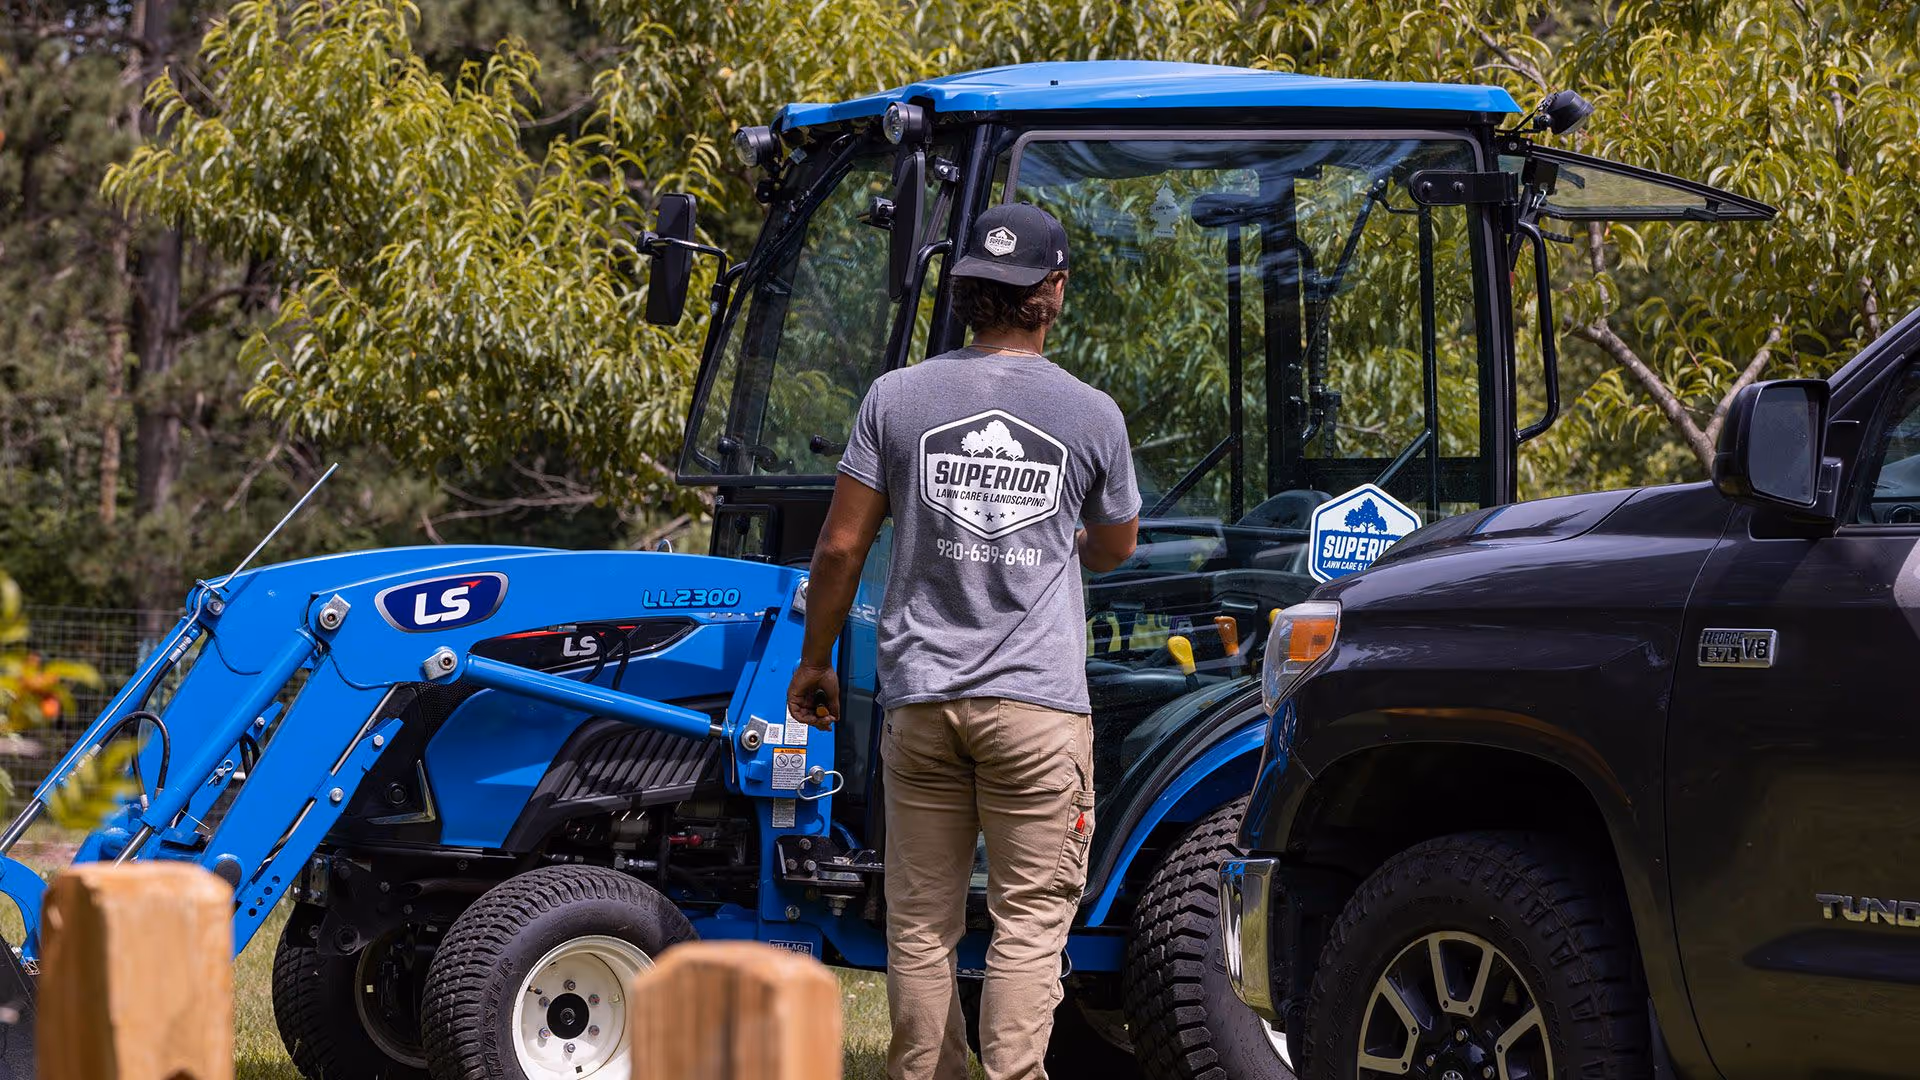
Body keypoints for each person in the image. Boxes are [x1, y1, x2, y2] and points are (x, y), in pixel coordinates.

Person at [786, 202, 1140, 1080]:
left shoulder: (895, 399)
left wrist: (817, 661)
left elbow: (839, 545)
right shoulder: (1091, 413)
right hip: (1038, 709)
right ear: (1051, 291)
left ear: (969, 292)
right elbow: (1115, 545)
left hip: (924, 702)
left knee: (920, 922)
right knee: (1026, 920)